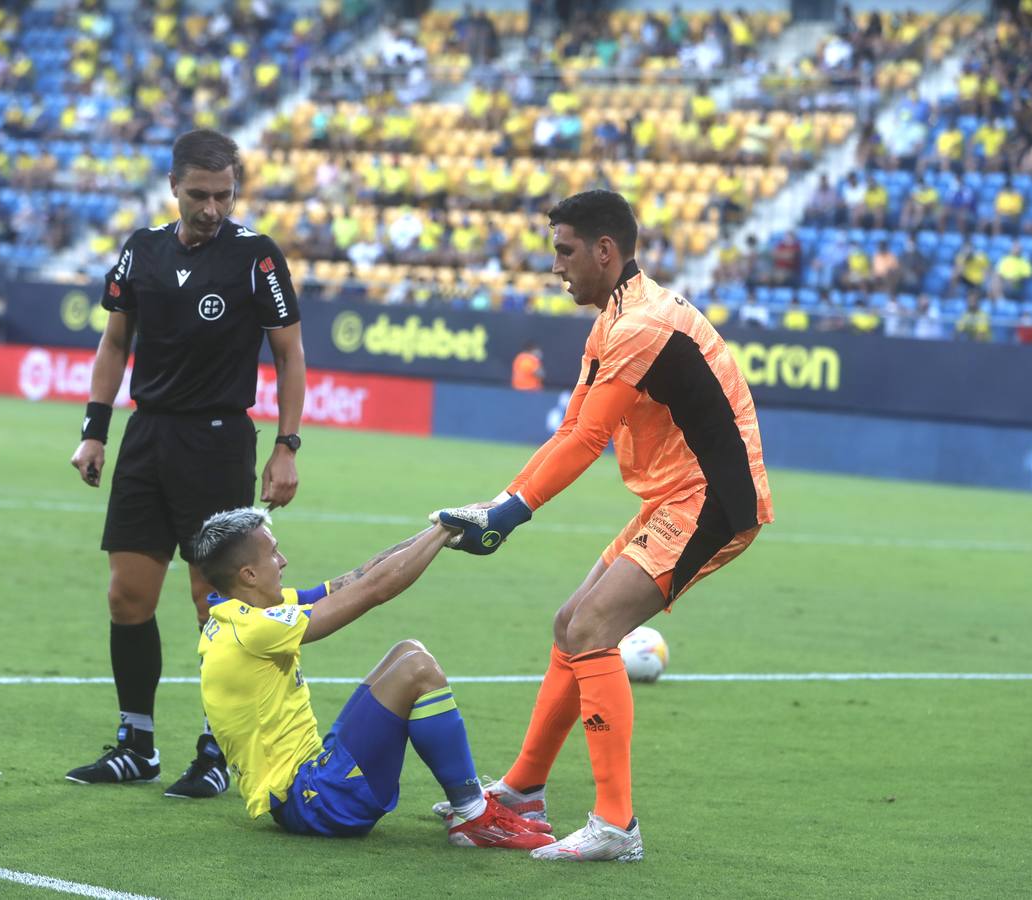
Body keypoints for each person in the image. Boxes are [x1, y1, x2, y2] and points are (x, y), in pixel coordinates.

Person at [431, 190, 774, 862]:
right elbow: (571, 429)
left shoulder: (642, 325)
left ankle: (616, 825)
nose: (555, 266)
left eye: (564, 251)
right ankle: (523, 795)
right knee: (572, 623)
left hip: (712, 499)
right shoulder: (613, 321)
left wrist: (505, 516)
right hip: (675, 496)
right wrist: (499, 503)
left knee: (592, 629)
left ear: (605, 251)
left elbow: (588, 439)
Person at [65, 130, 307, 799]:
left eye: (223, 194)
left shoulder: (256, 256)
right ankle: (136, 744)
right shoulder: (141, 249)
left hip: (219, 440)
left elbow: (289, 354)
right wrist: (95, 432)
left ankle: (215, 751)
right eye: (198, 195)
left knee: (214, 601)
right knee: (127, 595)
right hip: (147, 437)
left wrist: (287, 445)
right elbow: (115, 341)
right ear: (174, 187)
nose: (211, 207)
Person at [192, 508, 554, 850]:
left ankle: (469, 803)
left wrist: (441, 532)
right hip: (314, 803)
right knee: (418, 671)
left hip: (313, 781)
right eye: (273, 553)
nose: (283, 561)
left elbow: (358, 577)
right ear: (249, 575)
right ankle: (475, 817)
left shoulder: (239, 613)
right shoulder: (254, 629)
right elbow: (372, 591)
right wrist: (444, 528)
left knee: (407, 651)